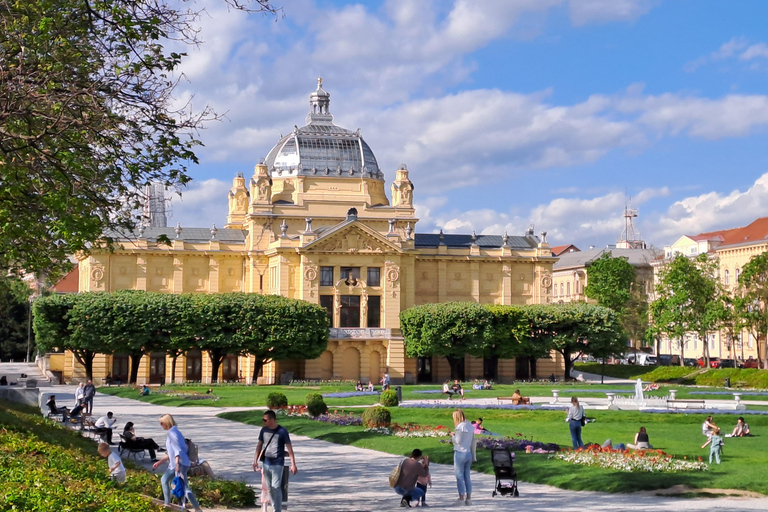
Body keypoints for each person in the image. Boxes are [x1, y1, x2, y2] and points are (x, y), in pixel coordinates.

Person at [153, 414, 203, 512]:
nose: (161, 425)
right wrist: (161, 461)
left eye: (161, 423)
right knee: (164, 480)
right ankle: (167, 503)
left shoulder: (172, 434)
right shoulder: (175, 432)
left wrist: (177, 464)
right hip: (176, 463)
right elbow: (173, 451)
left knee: (184, 487)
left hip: (180, 464)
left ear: (167, 423)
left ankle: (197, 508)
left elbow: (178, 451)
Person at [253, 409, 297, 512]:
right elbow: (259, 446)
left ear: (272, 419)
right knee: (269, 488)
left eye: (265, 420)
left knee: (276, 487)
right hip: (266, 463)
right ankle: (274, 507)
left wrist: (293, 464)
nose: (263, 422)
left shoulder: (282, 431)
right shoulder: (263, 430)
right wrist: (255, 461)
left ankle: (277, 510)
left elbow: (289, 448)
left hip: (278, 463)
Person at [449, 409, 475, 506]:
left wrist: (452, 436)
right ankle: (468, 498)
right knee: (467, 476)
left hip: (460, 452)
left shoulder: (459, 427)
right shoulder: (469, 425)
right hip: (468, 452)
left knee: (459, 476)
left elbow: (458, 440)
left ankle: (461, 497)